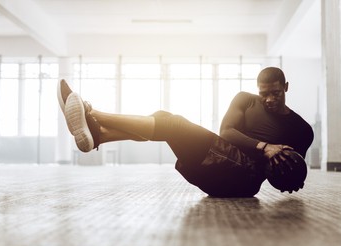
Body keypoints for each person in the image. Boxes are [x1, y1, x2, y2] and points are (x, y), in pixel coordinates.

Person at [58, 67, 313, 197]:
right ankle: (98, 135)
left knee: (172, 125)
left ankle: (91, 113)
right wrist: (265, 147)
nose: (268, 99)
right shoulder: (245, 100)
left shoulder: (301, 131)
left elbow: (289, 174)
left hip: (245, 178)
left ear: (286, 87)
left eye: (275, 93)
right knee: (163, 118)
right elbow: (226, 132)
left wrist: (291, 179)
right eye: (263, 93)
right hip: (225, 161)